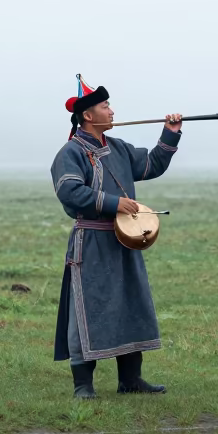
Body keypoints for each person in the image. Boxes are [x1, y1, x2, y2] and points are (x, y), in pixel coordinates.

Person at [50, 75, 182, 399]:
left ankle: (131, 380)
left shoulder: (119, 148)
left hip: (125, 241)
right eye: (105, 105)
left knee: (129, 304)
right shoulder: (70, 153)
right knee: (87, 311)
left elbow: (151, 164)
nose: (112, 110)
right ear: (88, 116)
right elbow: (69, 190)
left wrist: (170, 134)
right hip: (92, 243)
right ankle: (83, 385)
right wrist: (113, 203)